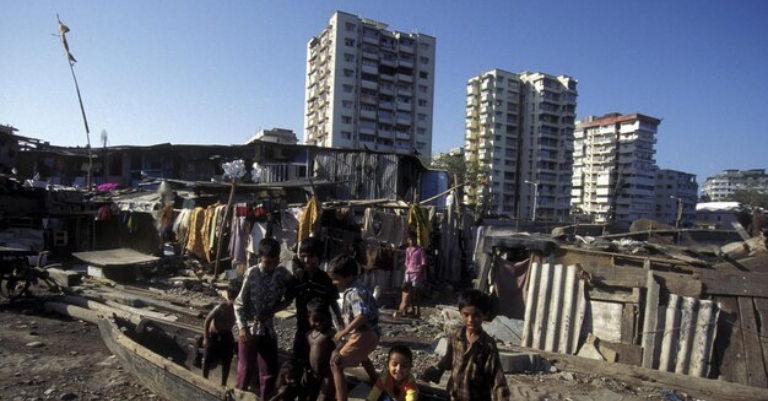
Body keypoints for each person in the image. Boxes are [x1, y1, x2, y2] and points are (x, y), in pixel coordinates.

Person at [420, 289, 510, 401]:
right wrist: (433, 372)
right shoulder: (455, 337)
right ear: (460, 313)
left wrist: (502, 397)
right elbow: (447, 360)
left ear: (485, 315)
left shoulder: (488, 345)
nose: (470, 320)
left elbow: (497, 376)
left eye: (476, 315)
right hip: (453, 395)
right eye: (466, 315)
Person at [234, 237, 295, 399]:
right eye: (268, 262)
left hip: (267, 328)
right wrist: (242, 327)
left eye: (275, 262)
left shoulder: (282, 274)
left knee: (269, 371)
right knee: (245, 368)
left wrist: (274, 310)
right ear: (260, 258)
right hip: (249, 328)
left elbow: (291, 295)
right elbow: (239, 303)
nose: (271, 266)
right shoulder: (252, 273)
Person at [327, 254, 380, 401]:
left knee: (336, 363)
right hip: (369, 333)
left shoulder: (354, 292)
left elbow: (362, 315)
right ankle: (377, 381)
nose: (334, 282)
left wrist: (344, 331)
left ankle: (341, 398)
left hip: (365, 334)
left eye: (336, 278)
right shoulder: (357, 286)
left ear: (349, 276)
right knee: (363, 356)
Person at [292, 238, 342, 365]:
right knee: (298, 360)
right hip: (302, 327)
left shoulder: (326, 279)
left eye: (311, 256)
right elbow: (287, 298)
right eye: (303, 256)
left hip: (322, 329)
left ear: (319, 257)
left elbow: (334, 304)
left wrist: (341, 327)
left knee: (319, 363)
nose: (307, 260)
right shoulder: (297, 278)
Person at [202, 284, 237, 386]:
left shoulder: (237, 310)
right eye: (235, 300)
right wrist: (206, 338)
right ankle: (204, 381)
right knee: (207, 358)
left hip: (226, 335)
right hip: (214, 335)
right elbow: (207, 321)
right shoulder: (221, 307)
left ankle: (223, 384)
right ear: (230, 297)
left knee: (227, 360)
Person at [305, 297, 337, 401]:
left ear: (328, 318)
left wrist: (336, 352)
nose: (318, 323)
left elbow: (341, 344)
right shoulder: (309, 335)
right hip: (314, 374)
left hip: (328, 374)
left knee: (323, 397)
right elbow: (307, 354)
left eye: (322, 319)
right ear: (308, 318)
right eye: (315, 320)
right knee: (311, 396)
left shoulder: (329, 333)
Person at [395, 232, 427, 318]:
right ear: (408, 240)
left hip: (417, 273)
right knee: (406, 292)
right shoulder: (407, 250)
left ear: (416, 240)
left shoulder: (420, 250)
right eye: (409, 239)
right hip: (408, 272)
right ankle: (407, 310)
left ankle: (417, 310)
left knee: (415, 293)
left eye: (412, 239)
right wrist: (406, 272)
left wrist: (422, 274)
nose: (411, 241)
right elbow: (407, 262)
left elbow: (424, 263)